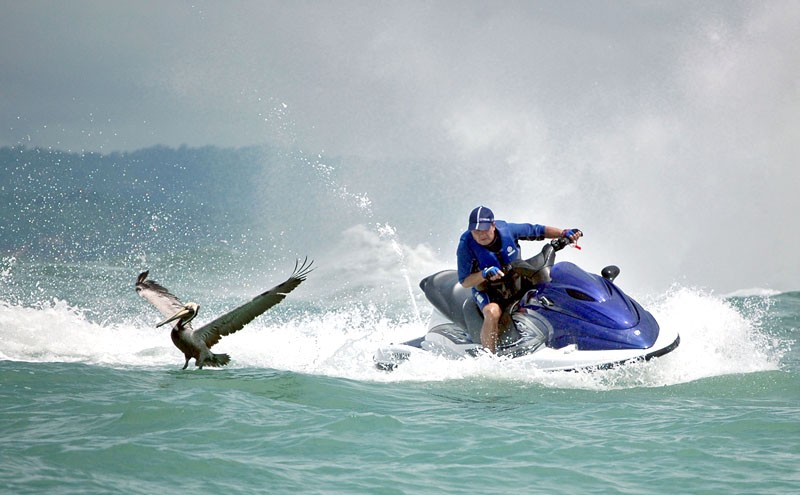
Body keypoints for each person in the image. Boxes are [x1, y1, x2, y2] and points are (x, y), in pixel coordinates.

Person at [456, 206, 582, 354]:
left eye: (484, 229)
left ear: (493, 225)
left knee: (548, 290)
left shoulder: (508, 230)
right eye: (476, 231)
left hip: (516, 281)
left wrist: (563, 233)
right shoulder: (466, 245)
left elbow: (537, 230)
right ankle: (489, 357)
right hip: (488, 290)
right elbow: (465, 281)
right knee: (492, 312)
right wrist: (484, 274)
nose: (481, 235)